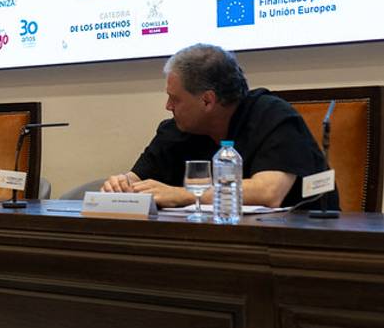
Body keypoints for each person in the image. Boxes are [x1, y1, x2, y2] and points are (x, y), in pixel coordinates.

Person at [102, 43, 338, 210]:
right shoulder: (177, 129)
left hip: (290, 248)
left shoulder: (273, 117)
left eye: (175, 98)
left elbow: (269, 193)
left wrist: (182, 195)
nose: (168, 106)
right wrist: (120, 185)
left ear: (207, 100)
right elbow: (136, 180)